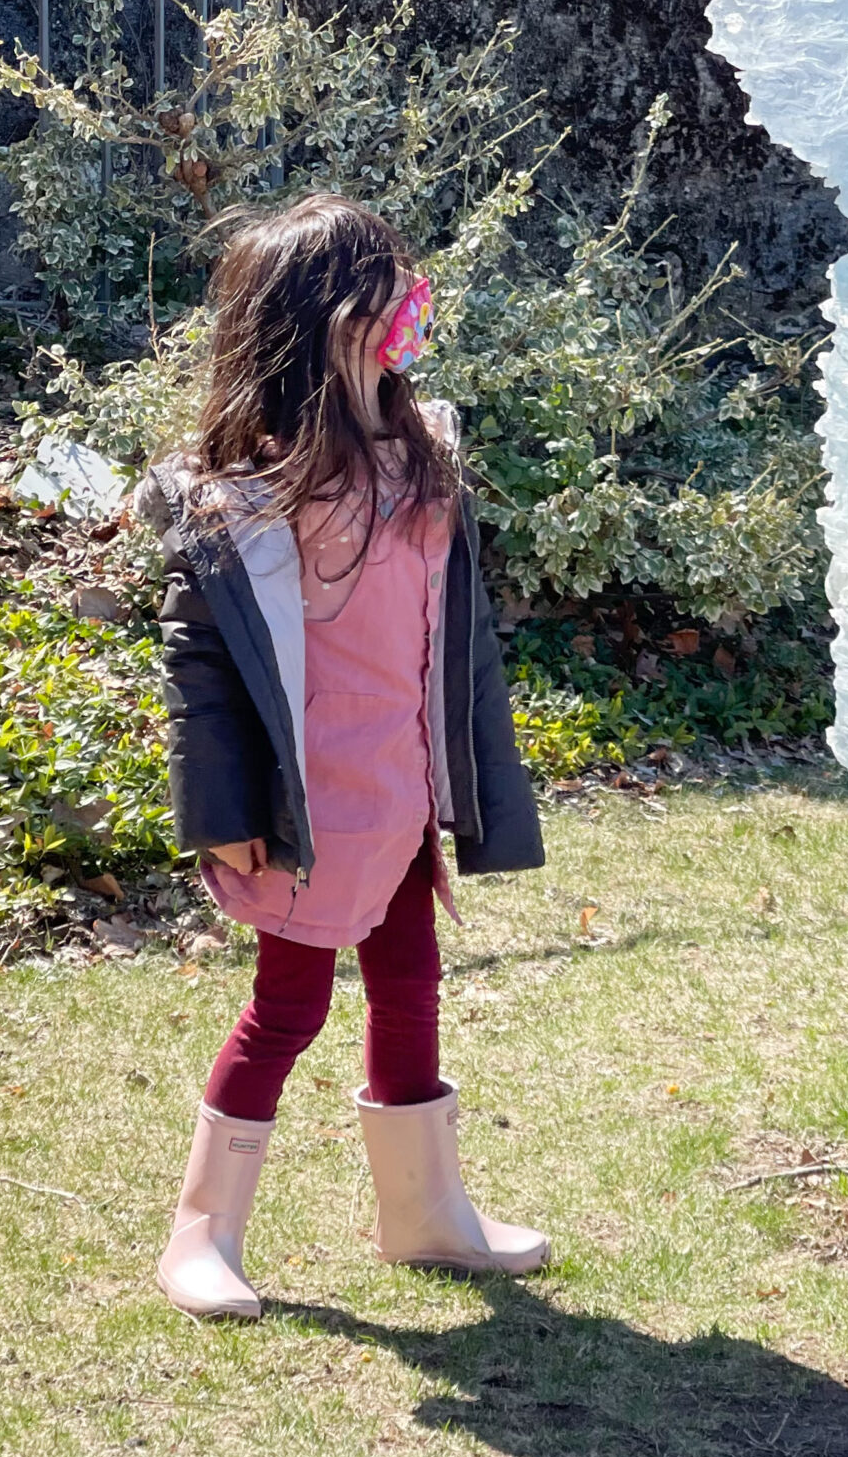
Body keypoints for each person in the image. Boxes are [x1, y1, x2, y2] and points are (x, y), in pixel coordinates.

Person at [135, 193, 548, 1321]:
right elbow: (202, 671)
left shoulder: (419, 461)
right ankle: (201, 1234)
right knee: (287, 1010)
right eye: (386, 290)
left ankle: (427, 1214)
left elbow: (447, 648)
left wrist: (471, 783)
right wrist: (218, 807)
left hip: (401, 798)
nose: (409, 308)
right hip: (309, 810)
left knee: (411, 983)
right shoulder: (252, 494)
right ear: (325, 316)